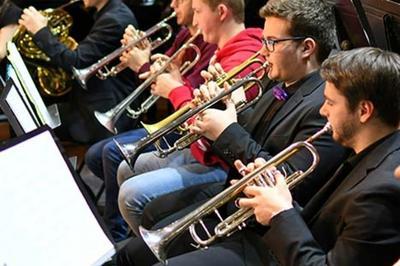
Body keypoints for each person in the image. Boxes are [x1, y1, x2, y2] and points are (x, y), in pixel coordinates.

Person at [131, 47, 400, 266]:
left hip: (278, 251)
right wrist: (274, 185)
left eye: (330, 103)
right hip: (274, 241)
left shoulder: (380, 194)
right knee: (139, 245)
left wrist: (280, 211)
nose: (323, 112)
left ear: (364, 111)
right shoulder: (373, 150)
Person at [117, 0, 349, 244]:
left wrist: (226, 129)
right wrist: (228, 103)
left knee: (139, 217)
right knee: (151, 214)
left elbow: (283, 181)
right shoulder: (280, 79)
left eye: (271, 42)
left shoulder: (323, 109)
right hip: (233, 187)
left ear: (306, 48)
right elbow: (255, 132)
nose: (262, 51)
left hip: (257, 223)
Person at [117, 0, 265, 237]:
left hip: (220, 160)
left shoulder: (243, 58)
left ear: (222, 12)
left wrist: (176, 89)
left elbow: (206, 125)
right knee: (126, 168)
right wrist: (178, 82)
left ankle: (145, 249)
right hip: (200, 148)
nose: (194, 22)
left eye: (197, 12)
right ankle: (135, 241)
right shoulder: (220, 49)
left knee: (131, 193)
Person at [84, 0, 217, 242]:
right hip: (175, 121)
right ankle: (132, 219)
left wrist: (145, 65)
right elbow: (158, 80)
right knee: (95, 155)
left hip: (188, 129)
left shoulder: (209, 42)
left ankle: (117, 235)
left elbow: (190, 97)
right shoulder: (186, 34)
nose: (173, 5)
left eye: (183, 2)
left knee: (114, 154)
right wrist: (143, 56)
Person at [18, 0, 138, 143]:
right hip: (91, 100)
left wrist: (40, 31)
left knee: (35, 126)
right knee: (33, 118)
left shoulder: (114, 19)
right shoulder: (107, 12)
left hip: (103, 109)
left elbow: (77, 62)